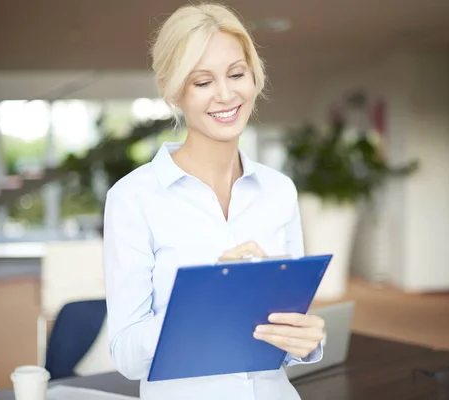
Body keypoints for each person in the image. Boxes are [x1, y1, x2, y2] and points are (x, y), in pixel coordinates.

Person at [103, 3, 325, 399]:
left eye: (237, 74)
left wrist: (306, 340)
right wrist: (206, 298)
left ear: (254, 78)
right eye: (202, 82)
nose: (226, 94)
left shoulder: (279, 191)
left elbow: (284, 332)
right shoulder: (132, 198)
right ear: (175, 93)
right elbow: (126, 354)